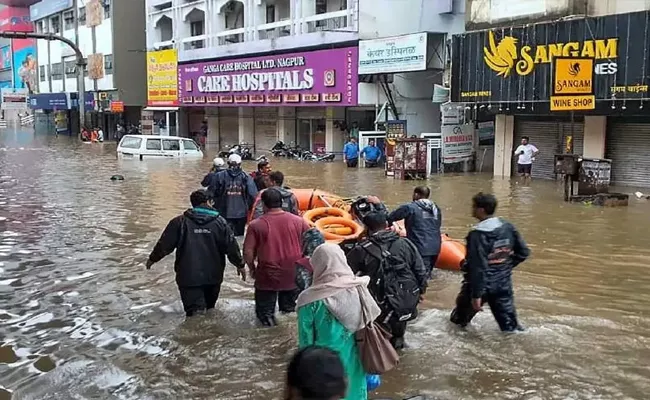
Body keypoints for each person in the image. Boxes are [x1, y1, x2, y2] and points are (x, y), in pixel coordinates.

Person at [296, 243, 381, 400]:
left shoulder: (309, 300)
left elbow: (305, 342)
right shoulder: (358, 288)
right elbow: (369, 322)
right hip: (356, 359)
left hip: (322, 366)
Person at [145, 190, 246, 317]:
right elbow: (231, 247)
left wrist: (152, 259)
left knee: (194, 314)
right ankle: (213, 336)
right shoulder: (221, 223)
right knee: (210, 310)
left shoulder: (178, 222)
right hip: (213, 277)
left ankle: (196, 336)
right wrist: (240, 264)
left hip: (188, 277)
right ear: (209, 202)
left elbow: (164, 245)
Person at [346, 212, 428, 350]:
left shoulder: (361, 250)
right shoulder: (405, 243)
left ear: (366, 227)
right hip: (406, 296)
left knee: (380, 337)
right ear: (386, 225)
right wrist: (420, 291)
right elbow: (420, 270)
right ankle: (399, 353)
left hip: (380, 301)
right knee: (398, 333)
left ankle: (386, 363)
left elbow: (346, 275)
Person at [450, 192, 530, 332]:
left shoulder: (477, 234)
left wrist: (476, 296)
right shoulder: (507, 227)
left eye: (474, 207)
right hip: (502, 284)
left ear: (481, 210)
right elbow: (523, 252)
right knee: (510, 328)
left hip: (481, 286)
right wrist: (504, 267)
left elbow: (478, 267)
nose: (472, 210)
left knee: (457, 323)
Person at [243, 188, 310, 326]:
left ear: (263, 204)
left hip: (268, 274)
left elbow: (247, 252)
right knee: (289, 313)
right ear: (281, 202)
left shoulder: (256, 225)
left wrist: (252, 269)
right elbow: (311, 245)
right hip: (293, 273)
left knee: (265, 316)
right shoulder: (300, 222)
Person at [385, 186, 442, 278]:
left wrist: (391, 226)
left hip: (419, 246)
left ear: (416, 194)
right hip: (436, 246)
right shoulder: (436, 209)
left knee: (419, 276)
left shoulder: (410, 207)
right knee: (427, 274)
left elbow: (391, 217)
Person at [212, 154, 258, 235]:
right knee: (239, 237)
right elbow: (253, 195)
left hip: (223, 213)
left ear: (228, 163)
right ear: (240, 163)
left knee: (223, 236)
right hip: (241, 214)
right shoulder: (246, 177)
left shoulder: (219, 176)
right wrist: (248, 207)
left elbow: (211, 193)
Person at [295, 228, 326, 292]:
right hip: (328, 295)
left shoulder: (303, 263)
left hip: (310, 296)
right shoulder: (331, 259)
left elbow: (301, 284)